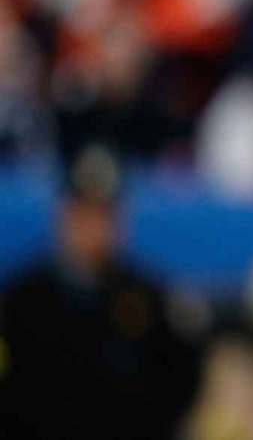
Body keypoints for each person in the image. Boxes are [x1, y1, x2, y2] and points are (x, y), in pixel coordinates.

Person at [0, 145, 201, 439]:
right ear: (64, 215)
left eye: (105, 214)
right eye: (84, 212)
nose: (94, 227)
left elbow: (178, 383)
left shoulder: (149, 299)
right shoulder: (24, 299)